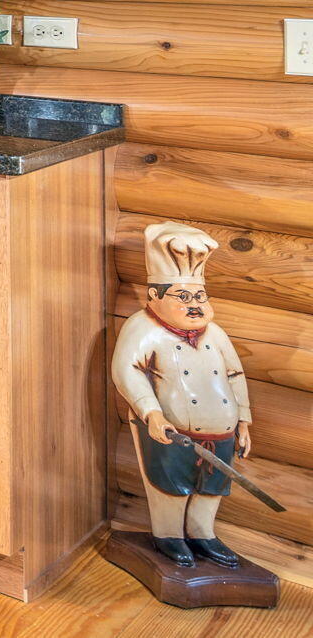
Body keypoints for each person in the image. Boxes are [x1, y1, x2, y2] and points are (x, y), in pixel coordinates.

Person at [110, 222, 253, 568]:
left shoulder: (214, 333)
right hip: (170, 431)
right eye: (183, 297)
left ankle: (203, 535)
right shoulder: (143, 329)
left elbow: (235, 374)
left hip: (221, 433)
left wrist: (244, 421)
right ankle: (169, 536)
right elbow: (126, 369)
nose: (194, 305)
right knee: (169, 488)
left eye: (199, 297)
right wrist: (151, 413)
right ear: (154, 297)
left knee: (211, 489)